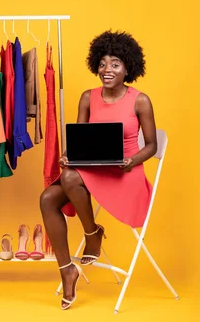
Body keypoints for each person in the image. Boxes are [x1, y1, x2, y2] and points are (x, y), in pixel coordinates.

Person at [39, 30, 158, 310]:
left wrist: (132, 160)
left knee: (68, 179)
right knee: (46, 199)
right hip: (89, 170)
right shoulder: (87, 97)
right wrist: (68, 156)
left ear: (128, 67)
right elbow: (78, 141)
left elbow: (151, 145)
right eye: (103, 63)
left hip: (125, 172)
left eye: (115, 63)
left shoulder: (140, 100)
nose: (107, 69)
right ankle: (67, 268)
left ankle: (92, 235)